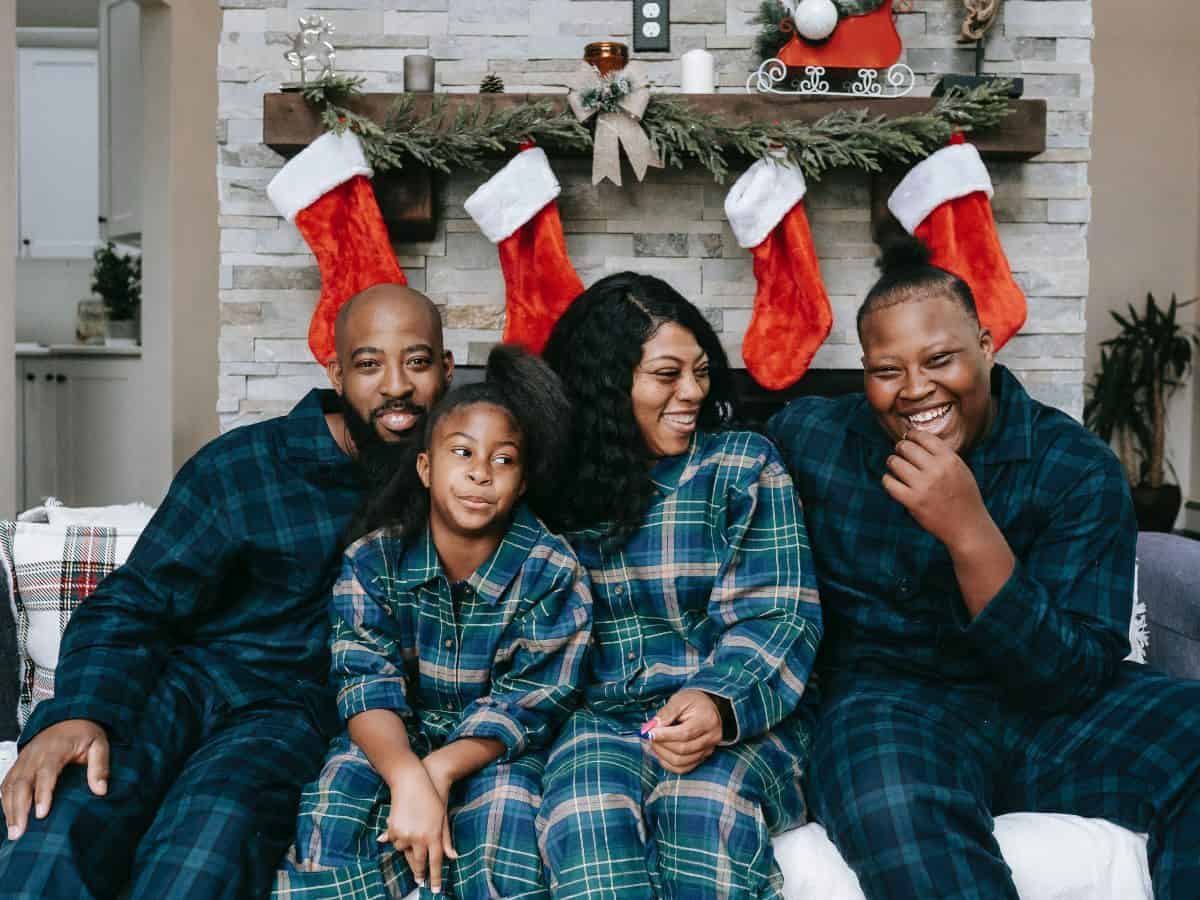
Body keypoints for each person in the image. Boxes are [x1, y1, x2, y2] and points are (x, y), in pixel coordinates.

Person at [767, 238, 1200, 900]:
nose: (915, 390)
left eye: (940, 359)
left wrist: (970, 532)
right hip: (889, 702)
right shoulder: (814, 437)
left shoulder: (1075, 468)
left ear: (988, 348)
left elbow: (1074, 677)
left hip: (1046, 710)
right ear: (864, 373)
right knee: (891, 805)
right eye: (888, 370)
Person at [0, 284, 454, 899]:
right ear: (337, 374)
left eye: (418, 362)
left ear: (446, 371)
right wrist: (78, 711)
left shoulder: (460, 483)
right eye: (370, 364)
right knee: (53, 828)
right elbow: (134, 601)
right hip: (182, 683)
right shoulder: (245, 466)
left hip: (288, 715)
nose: (396, 385)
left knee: (201, 855)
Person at [535, 272, 823, 899]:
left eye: (699, 371)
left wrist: (718, 703)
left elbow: (780, 615)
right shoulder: (556, 485)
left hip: (744, 721)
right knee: (583, 818)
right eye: (667, 375)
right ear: (609, 387)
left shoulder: (742, 465)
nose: (692, 392)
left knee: (702, 808)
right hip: (607, 723)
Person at [274, 344, 593, 900]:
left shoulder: (552, 569)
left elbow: (531, 700)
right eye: (462, 453)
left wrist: (439, 772)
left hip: (496, 749)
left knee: (503, 833)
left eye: (502, 460)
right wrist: (406, 776)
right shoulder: (374, 560)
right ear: (425, 467)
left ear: (521, 482)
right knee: (334, 806)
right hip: (394, 732)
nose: (479, 474)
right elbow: (364, 681)